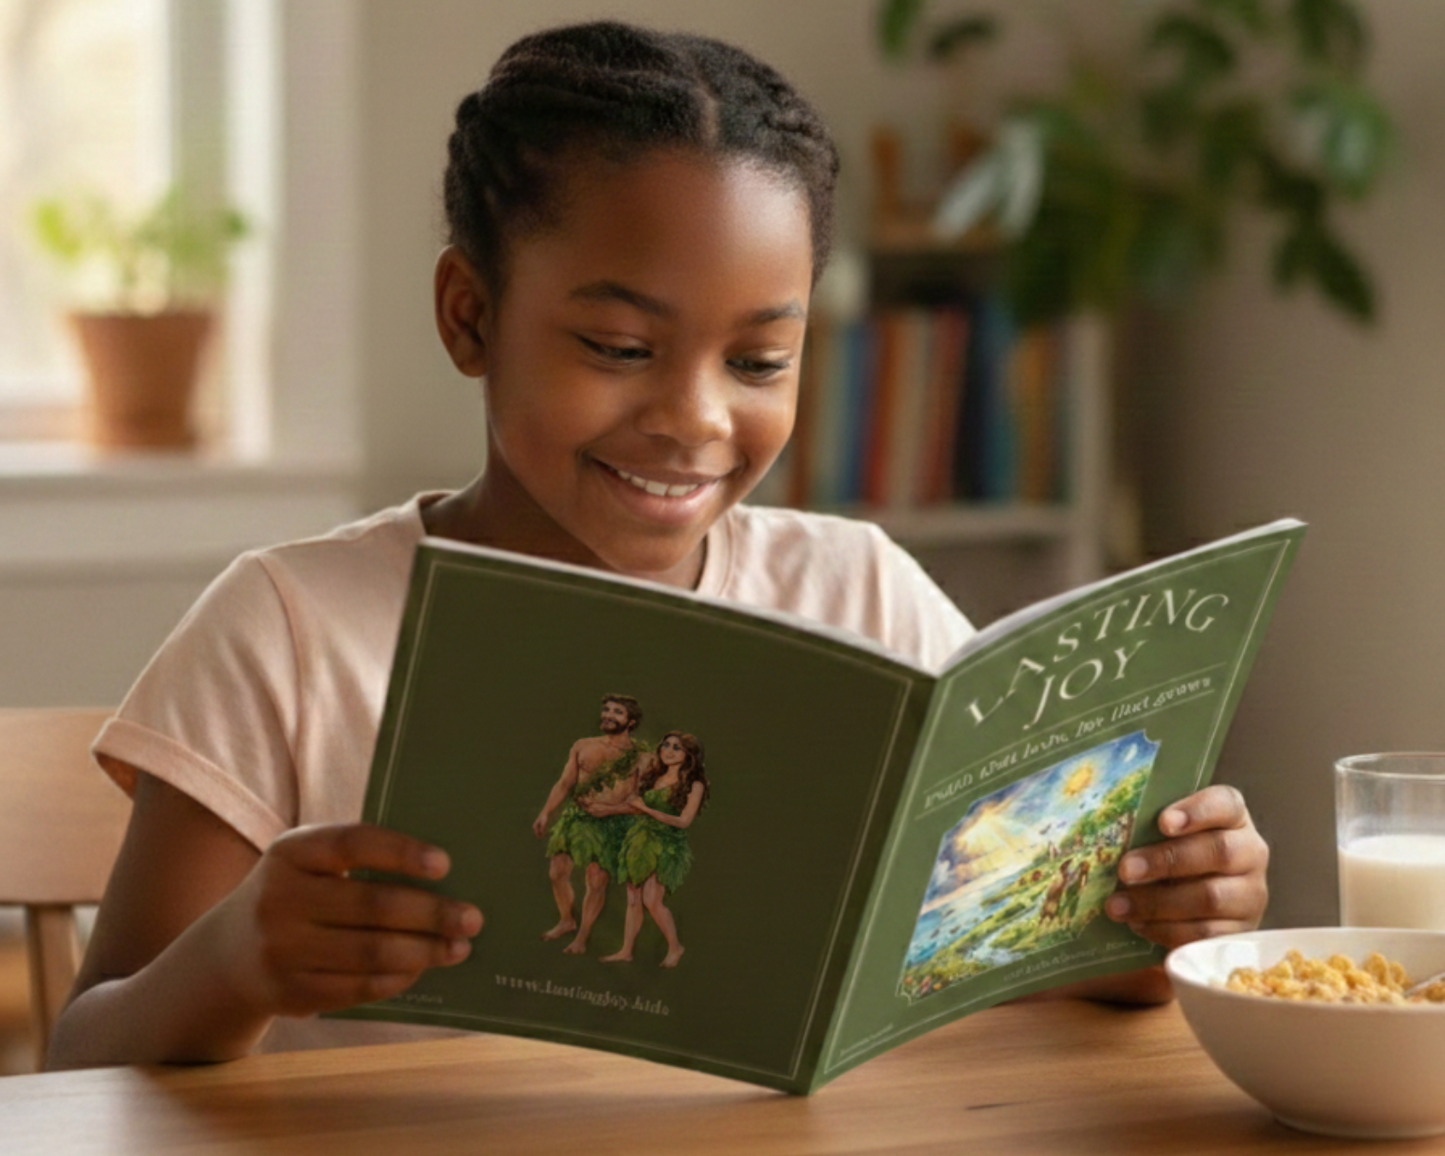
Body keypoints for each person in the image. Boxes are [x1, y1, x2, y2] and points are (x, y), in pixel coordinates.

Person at [46, 19, 1269, 1070]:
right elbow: (83, 1059)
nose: (694, 418)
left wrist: (1153, 919)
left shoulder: (862, 595)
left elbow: (1048, 961)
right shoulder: (290, 631)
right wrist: (236, 960)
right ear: (471, 315)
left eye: (758, 361)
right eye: (620, 349)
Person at [532, 694, 646, 953]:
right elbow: (564, 783)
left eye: (617, 712)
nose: (608, 715)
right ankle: (566, 920)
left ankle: (582, 937)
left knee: (595, 881)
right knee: (557, 872)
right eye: (606, 709)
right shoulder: (583, 745)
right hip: (576, 817)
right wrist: (545, 813)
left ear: (631, 721)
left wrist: (609, 810)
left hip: (612, 823)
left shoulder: (641, 757)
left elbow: (643, 803)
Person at [602, 731, 711, 967]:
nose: (668, 751)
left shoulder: (694, 784)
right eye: (666, 745)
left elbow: (683, 821)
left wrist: (646, 808)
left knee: (652, 899)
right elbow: (637, 806)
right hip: (640, 839)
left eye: (677, 748)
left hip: (666, 844)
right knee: (633, 898)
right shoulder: (655, 776)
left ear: (689, 755)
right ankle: (626, 950)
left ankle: (675, 947)